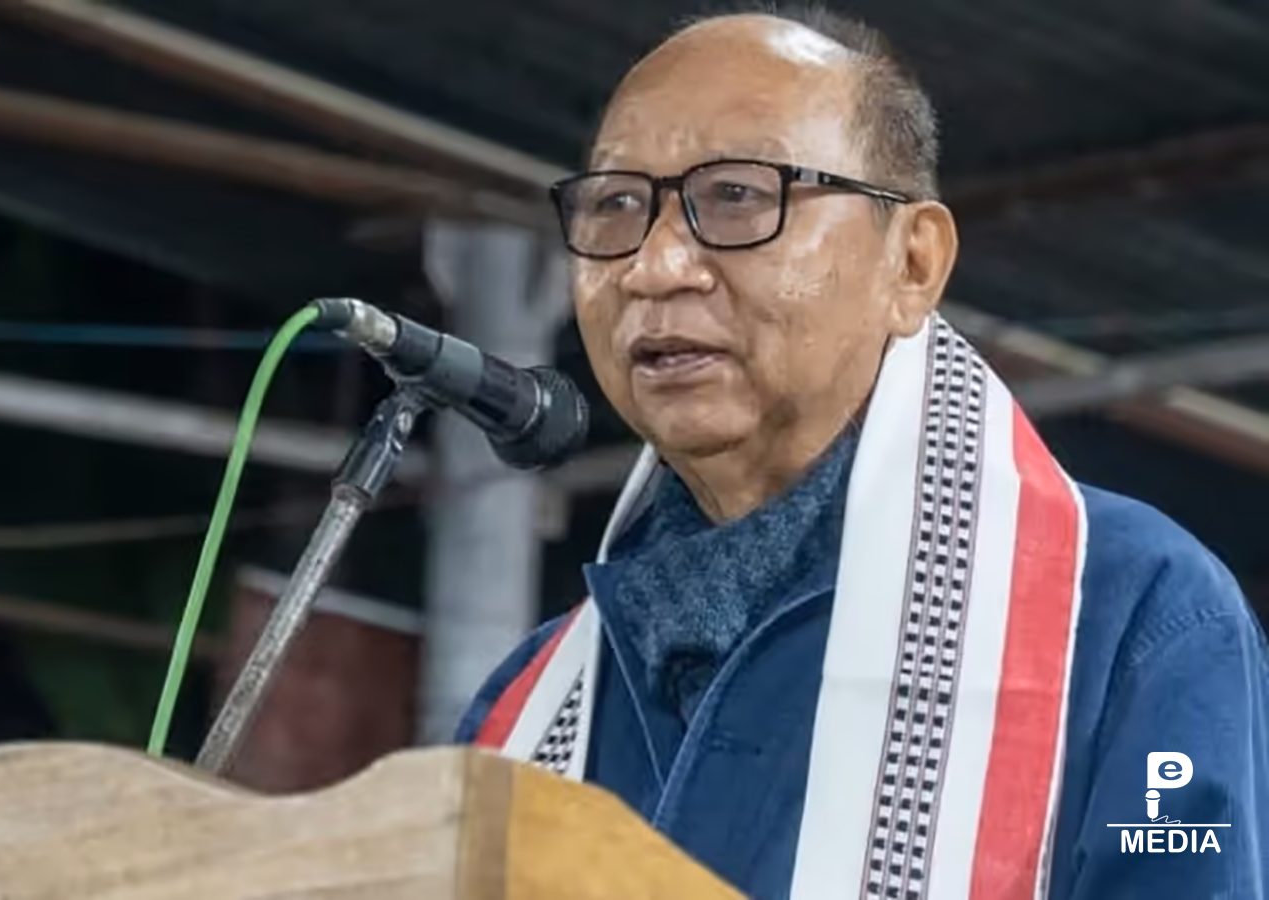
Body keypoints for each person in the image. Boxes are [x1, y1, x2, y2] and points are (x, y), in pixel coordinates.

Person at [454, 7, 1269, 899]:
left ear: (913, 264)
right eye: (615, 204)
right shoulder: (528, 709)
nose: (654, 266)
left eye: (738, 195)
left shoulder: (1128, 615)